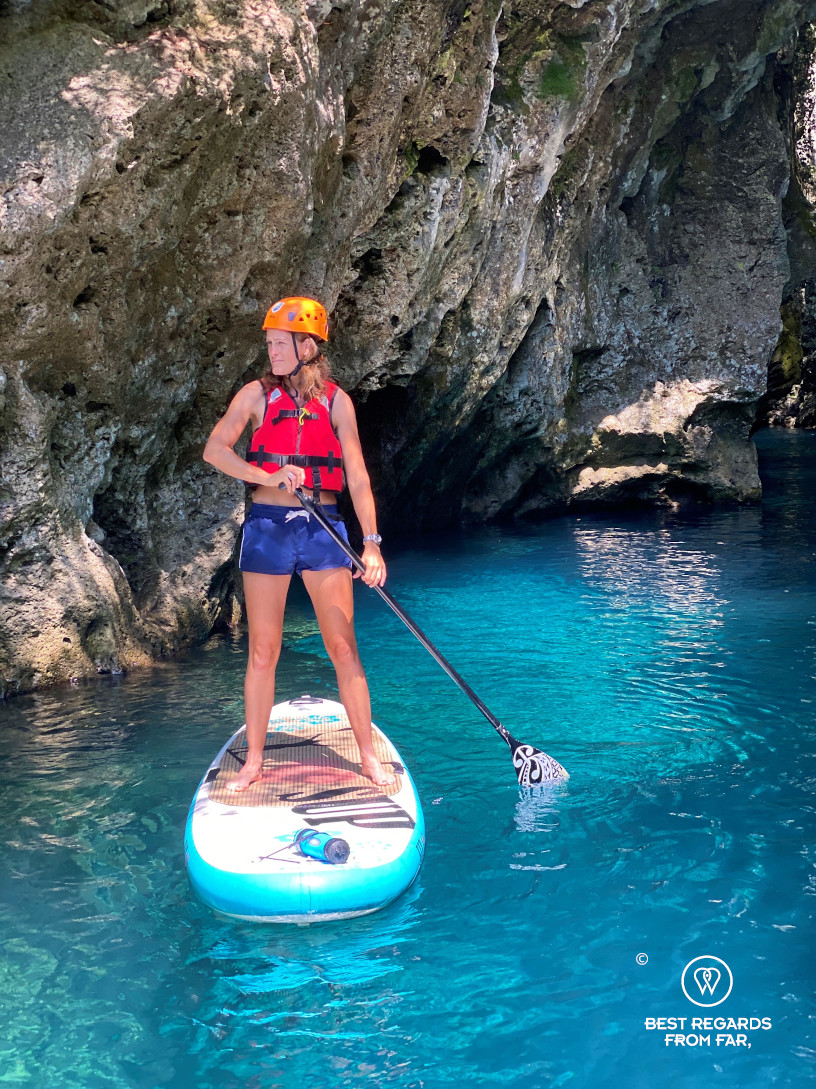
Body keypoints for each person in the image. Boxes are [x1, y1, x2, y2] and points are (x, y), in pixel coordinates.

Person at [202, 296, 394, 792]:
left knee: (342, 645)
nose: (272, 352)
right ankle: (254, 762)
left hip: (324, 528)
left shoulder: (337, 401)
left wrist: (371, 545)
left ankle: (368, 757)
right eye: (268, 343)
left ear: (307, 346)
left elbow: (356, 476)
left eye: (280, 344)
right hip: (267, 528)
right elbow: (215, 451)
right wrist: (265, 473)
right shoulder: (255, 394)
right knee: (263, 651)